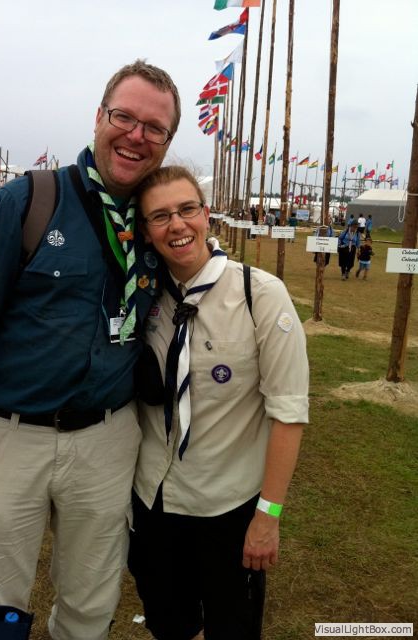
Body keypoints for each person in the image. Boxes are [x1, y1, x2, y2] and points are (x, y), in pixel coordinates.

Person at [0, 59, 180, 640]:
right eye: (124, 117)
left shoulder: (157, 221)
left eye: (155, 128)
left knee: (90, 603)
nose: (136, 136)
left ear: (167, 141)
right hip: (7, 436)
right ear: (99, 117)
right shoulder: (28, 200)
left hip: (107, 438)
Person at [128, 166, 309, 640]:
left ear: (206, 215)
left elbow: (289, 414)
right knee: (170, 625)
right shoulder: (140, 298)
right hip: (154, 501)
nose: (177, 224)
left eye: (187, 209)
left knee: (232, 628)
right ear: (146, 231)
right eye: (160, 216)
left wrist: (268, 518)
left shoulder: (260, 295)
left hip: (228, 507)